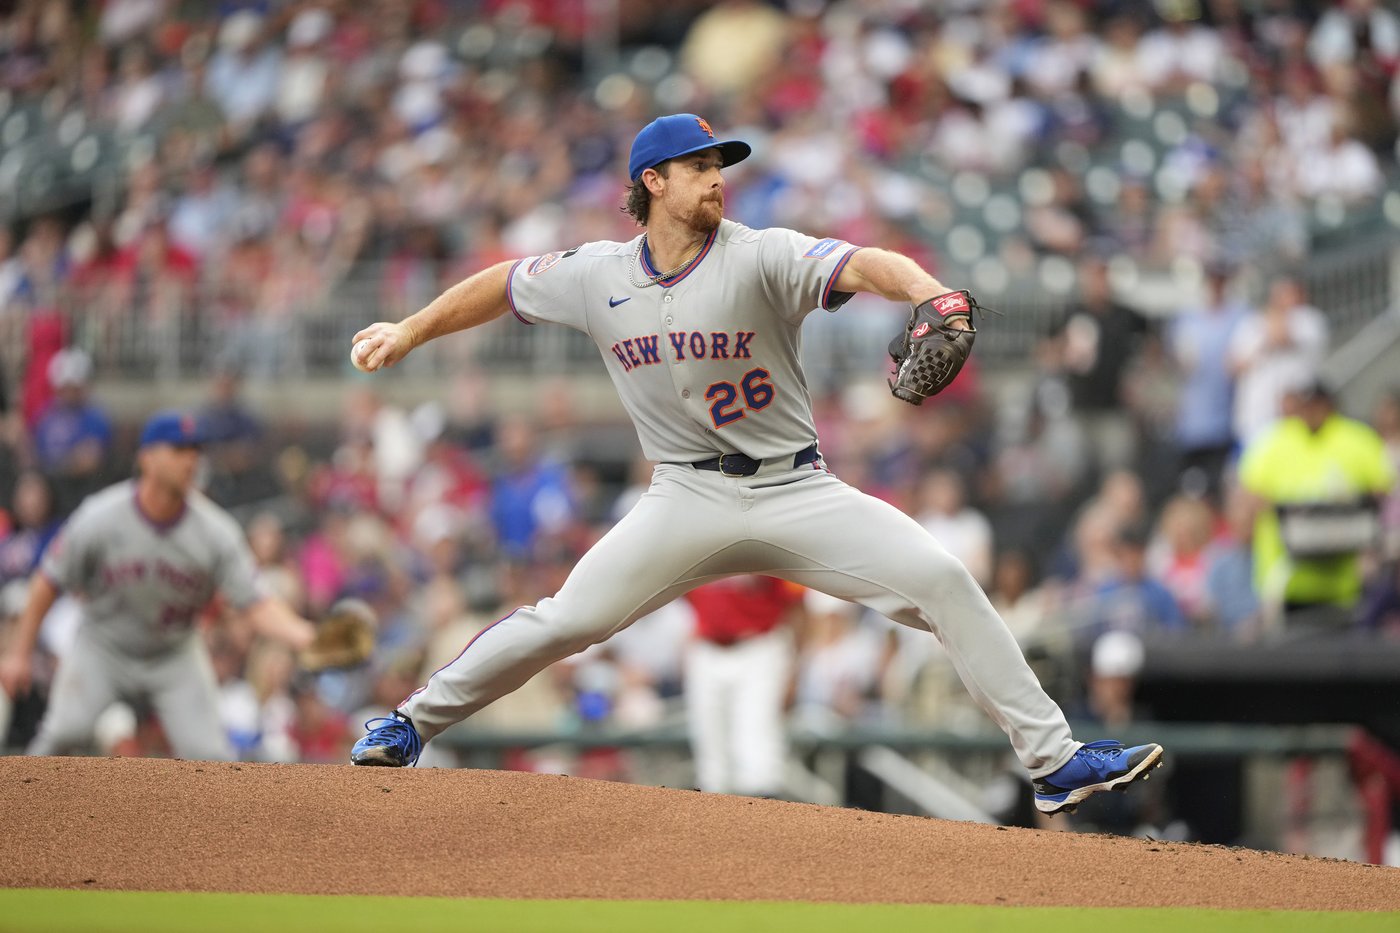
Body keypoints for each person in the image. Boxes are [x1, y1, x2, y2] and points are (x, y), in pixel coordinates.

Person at [346, 113, 1162, 815]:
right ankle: (412, 721)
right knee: (569, 619)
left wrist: (933, 293)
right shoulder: (598, 274)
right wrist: (411, 329)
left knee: (944, 579)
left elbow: (866, 263)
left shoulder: (760, 252)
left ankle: (1053, 763)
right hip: (685, 495)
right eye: (699, 167)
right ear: (652, 181)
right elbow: (502, 284)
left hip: (795, 486)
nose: (717, 180)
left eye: (720, 166)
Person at [0, 412, 319, 761]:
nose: (191, 459)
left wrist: (307, 636)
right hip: (104, 647)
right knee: (62, 734)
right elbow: (47, 582)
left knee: (211, 755)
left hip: (174, 654)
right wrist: (19, 652)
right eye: (179, 450)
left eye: (196, 451)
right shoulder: (101, 517)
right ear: (147, 457)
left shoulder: (215, 531)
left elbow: (255, 603)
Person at [1238, 381, 1396, 621]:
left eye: (1316, 404)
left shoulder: (1357, 437)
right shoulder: (1273, 440)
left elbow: (1381, 491)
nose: (1310, 412)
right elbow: (1249, 498)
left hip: (1344, 578)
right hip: (1286, 576)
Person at [683, 575, 803, 798]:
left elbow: (796, 604)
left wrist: (796, 668)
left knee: (757, 748)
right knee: (710, 754)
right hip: (707, 648)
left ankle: (761, 823)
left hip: (759, 646)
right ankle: (712, 827)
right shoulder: (691, 544)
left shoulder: (766, 542)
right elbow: (683, 596)